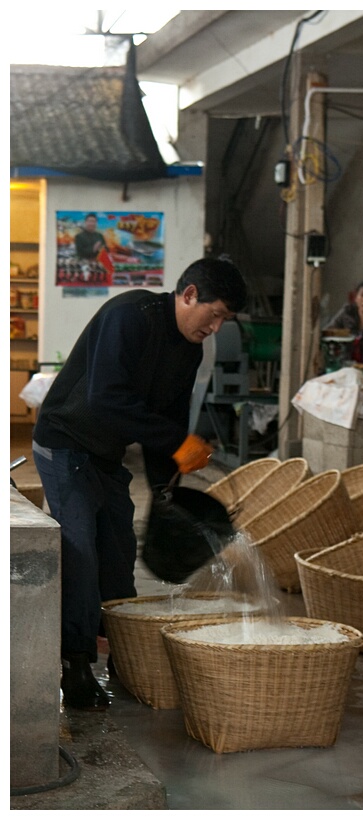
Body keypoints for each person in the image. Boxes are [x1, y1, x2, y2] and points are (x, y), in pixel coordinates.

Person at [32, 256, 248, 711]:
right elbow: (106, 399)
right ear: (189, 295)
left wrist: (166, 487)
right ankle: (74, 665)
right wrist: (177, 440)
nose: (216, 327)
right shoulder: (128, 316)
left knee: (118, 551)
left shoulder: (188, 350)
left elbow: (165, 419)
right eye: (215, 315)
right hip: (65, 442)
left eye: (224, 321)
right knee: (81, 550)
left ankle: (123, 656)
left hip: (106, 453)